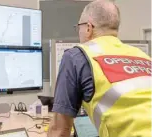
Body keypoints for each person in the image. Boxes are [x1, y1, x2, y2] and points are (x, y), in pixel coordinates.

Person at [47, 0, 152, 137]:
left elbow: (59, 131)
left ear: (89, 28)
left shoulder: (76, 56)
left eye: (79, 27)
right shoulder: (143, 56)